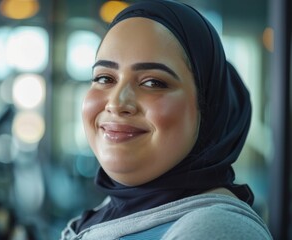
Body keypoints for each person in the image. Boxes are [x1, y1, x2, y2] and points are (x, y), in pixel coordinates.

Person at [60, 0, 272, 239]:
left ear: (207, 108)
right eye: (104, 78)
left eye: (153, 83)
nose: (117, 103)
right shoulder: (114, 209)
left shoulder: (213, 228)